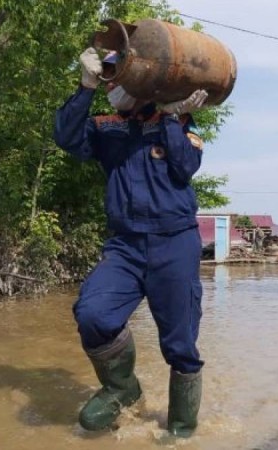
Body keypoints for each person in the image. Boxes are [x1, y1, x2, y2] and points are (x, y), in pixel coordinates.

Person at [53, 47, 209, 437]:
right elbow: (66, 137)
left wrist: (171, 119)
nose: (111, 78)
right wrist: (85, 87)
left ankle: (181, 430)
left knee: (180, 344)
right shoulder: (107, 125)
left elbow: (185, 167)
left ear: (140, 76)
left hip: (173, 243)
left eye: (114, 70)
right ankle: (124, 388)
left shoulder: (179, 122)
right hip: (124, 246)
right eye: (107, 71)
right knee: (92, 314)